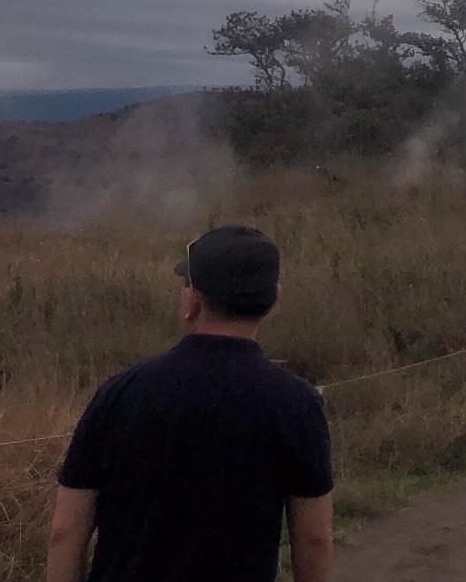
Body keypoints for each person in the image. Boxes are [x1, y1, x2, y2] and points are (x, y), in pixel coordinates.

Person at [47, 224, 334, 582]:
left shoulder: (120, 392)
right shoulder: (296, 403)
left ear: (193, 301)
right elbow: (315, 538)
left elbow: (65, 532)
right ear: (272, 300)